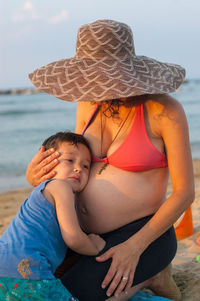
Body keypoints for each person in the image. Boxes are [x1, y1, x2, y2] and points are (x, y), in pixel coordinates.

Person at [27, 20, 195, 301]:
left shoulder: (164, 110)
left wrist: (134, 247)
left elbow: (184, 193)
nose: (99, 85)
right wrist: (38, 179)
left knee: (80, 296)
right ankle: (153, 277)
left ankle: (154, 272)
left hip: (144, 234)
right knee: (40, 286)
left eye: (106, 76)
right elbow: (76, 168)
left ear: (127, 70)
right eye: (92, 76)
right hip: (84, 236)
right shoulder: (87, 104)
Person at [0, 131, 106, 300]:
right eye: (70, 160)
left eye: (86, 166)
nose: (78, 168)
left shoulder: (43, 193)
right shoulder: (59, 187)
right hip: (31, 270)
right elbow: (73, 238)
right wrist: (95, 246)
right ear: (47, 164)